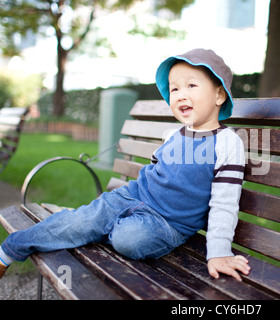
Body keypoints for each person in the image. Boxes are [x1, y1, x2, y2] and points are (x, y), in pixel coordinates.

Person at [0, 48, 250, 282]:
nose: (180, 94)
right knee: (80, 220)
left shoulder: (226, 142)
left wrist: (218, 251)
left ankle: (97, 227)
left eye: (191, 85)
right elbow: (156, 169)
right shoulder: (176, 134)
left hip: (167, 224)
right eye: (174, 89)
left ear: (219, 94)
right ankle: (11, 249)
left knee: (129, 240)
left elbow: (224, 203)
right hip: (131, 197)